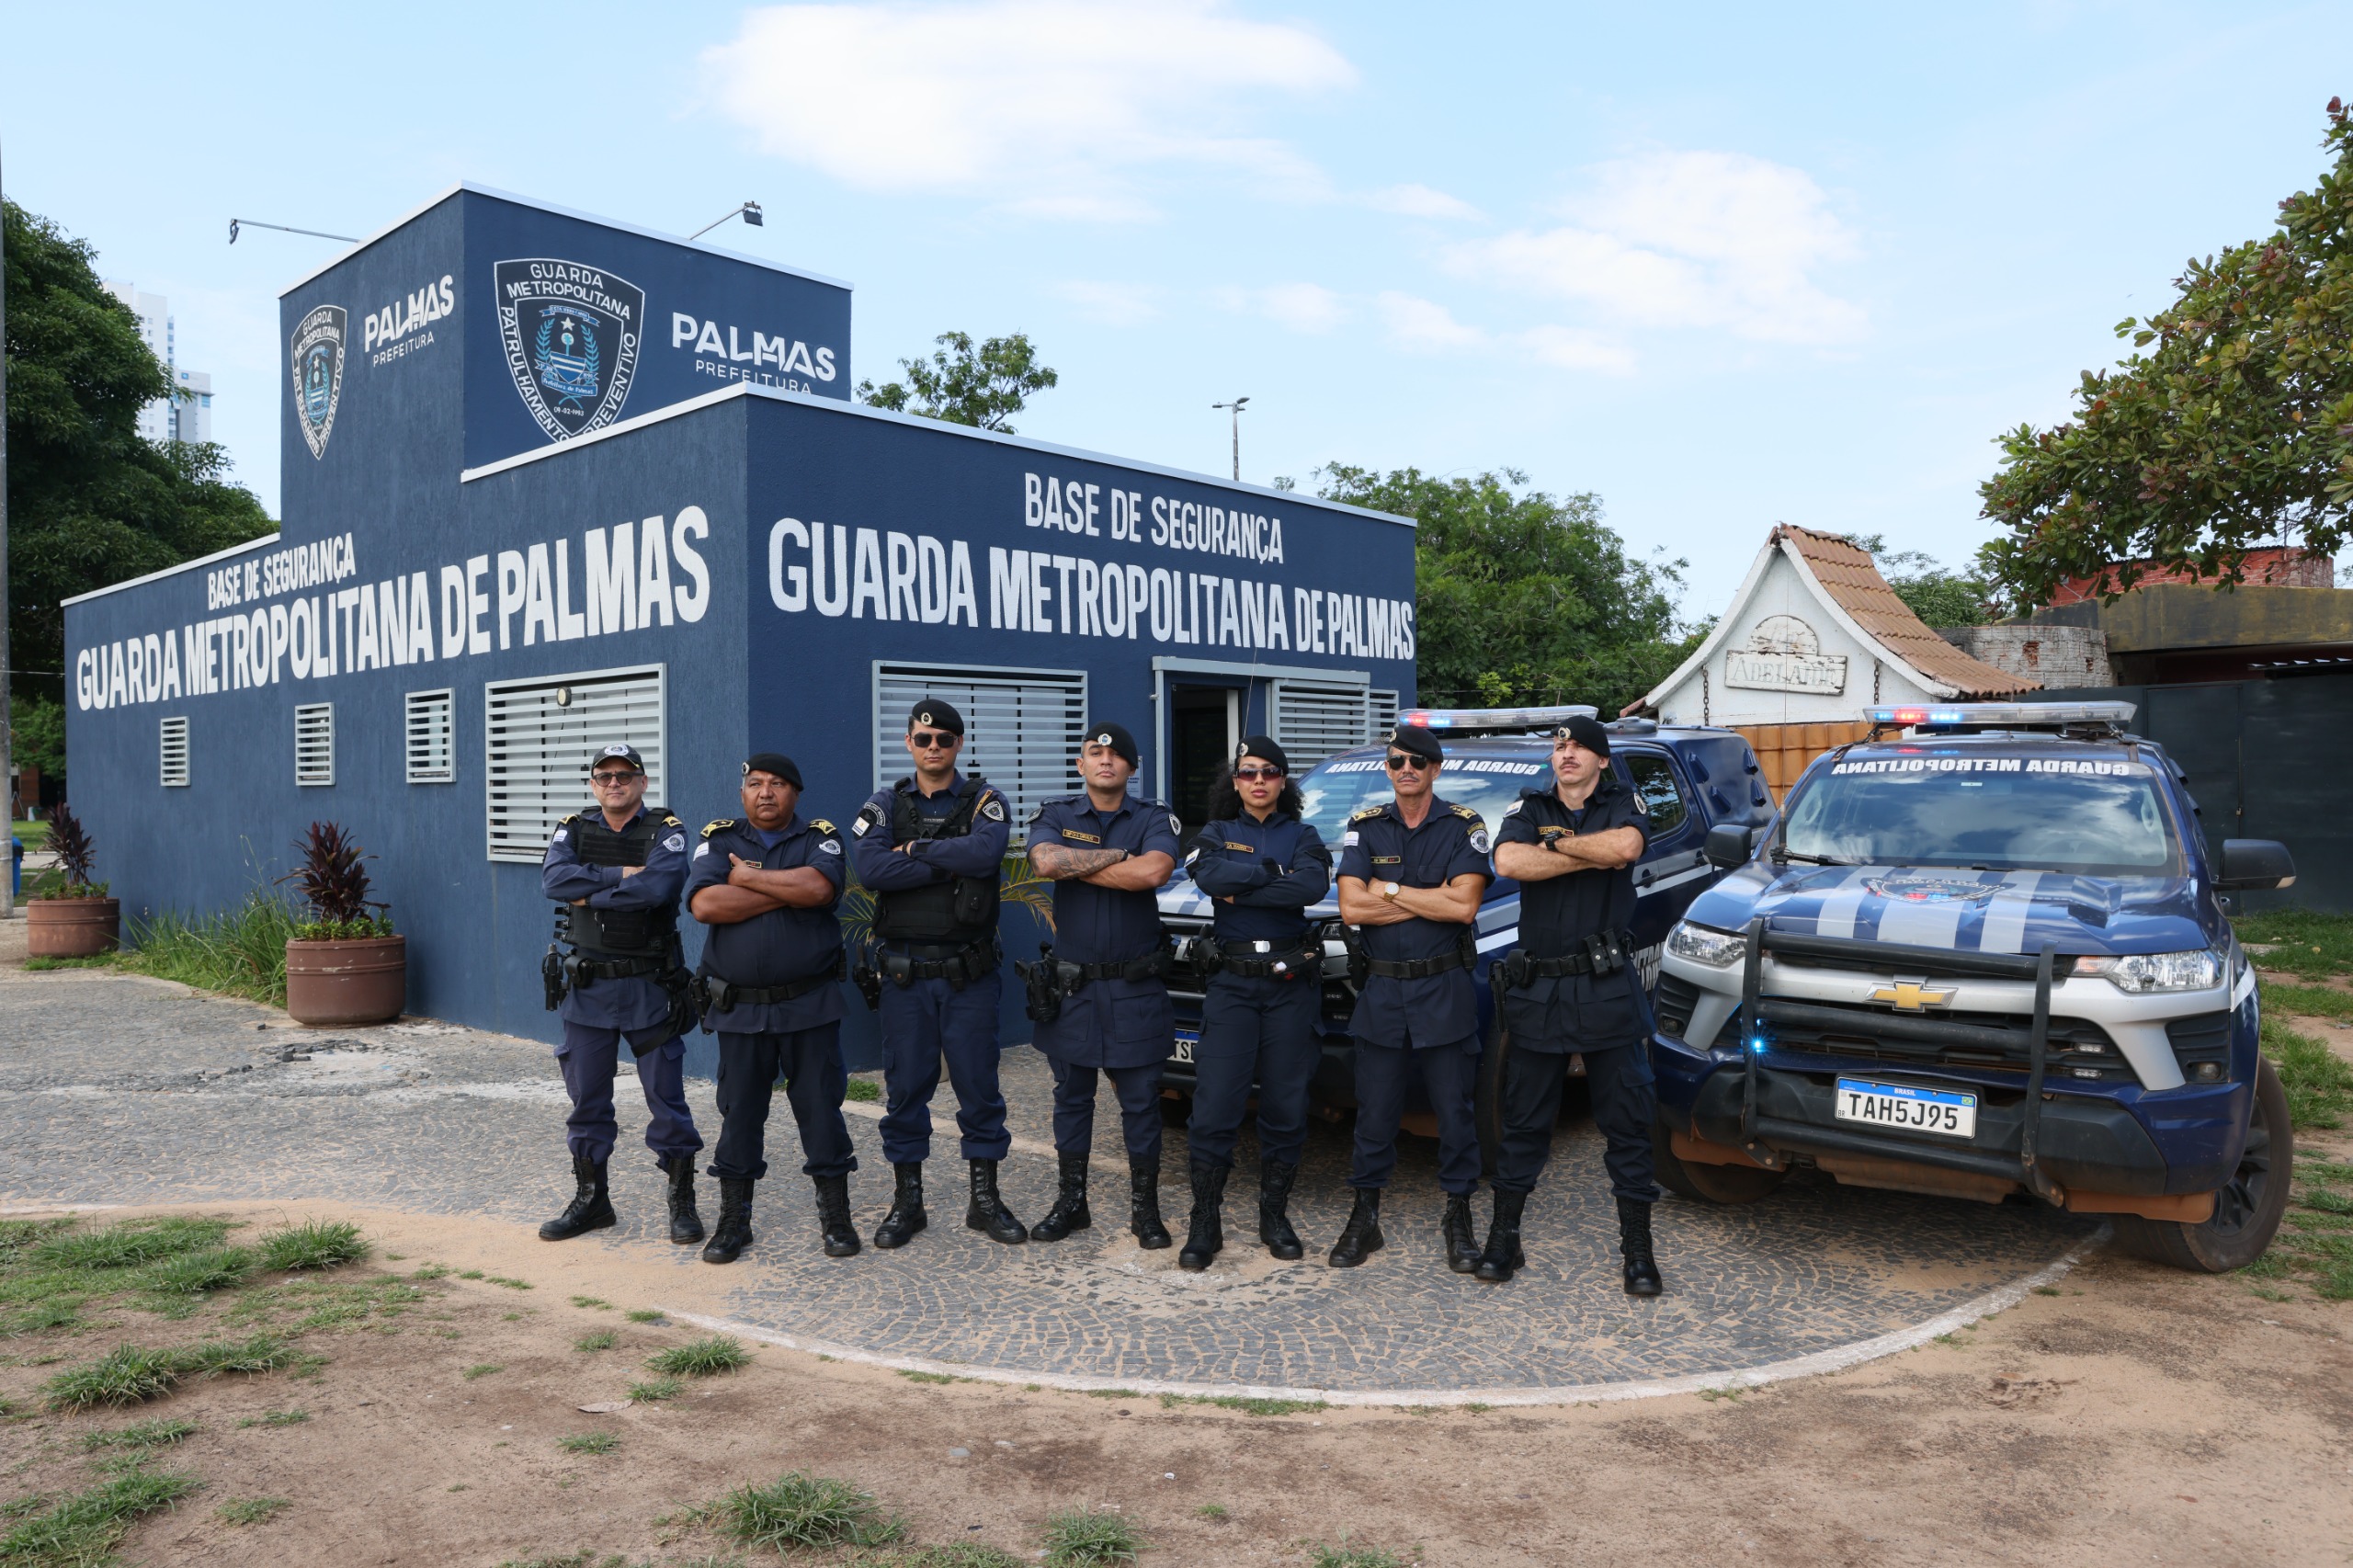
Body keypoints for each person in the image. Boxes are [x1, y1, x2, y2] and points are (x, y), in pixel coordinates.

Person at [1484, 714, 1663, 1294]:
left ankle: (1638, 1252)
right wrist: (1587, 852)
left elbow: (1627, 847)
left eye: (1581, 747)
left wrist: (1557, 846)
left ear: (1602, 760)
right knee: (1525, 1122)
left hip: (1606, 987)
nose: (1568, 754)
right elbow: (1510, 862)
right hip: (1540, 991)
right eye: (1561, 746)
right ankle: (1504, 1240)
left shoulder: (1623, 801)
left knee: (1627, 1123)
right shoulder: (1528, 807)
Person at [847, 699, 1025, 1248]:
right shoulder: (883, 804)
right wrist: (949, 857)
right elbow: (872, 868)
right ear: (908, 743)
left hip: (968, 977)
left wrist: (918, 849)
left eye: (943, 740)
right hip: (905, 980)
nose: (933, 749)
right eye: (923, 740)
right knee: (905, 1092)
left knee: (979, 1088)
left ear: (958, 745)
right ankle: (909, 1203)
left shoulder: (985, 801)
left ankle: (985, 1202)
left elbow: (986, 854)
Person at [685, 753, 860, 1265]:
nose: (766, 792)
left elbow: (820, 888)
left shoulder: (820, 838)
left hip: (809, 1004)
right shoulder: (718, 839)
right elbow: (706, 906)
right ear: (742, 793)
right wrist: (785, 888)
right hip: (739, 1010)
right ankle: (734, 1223)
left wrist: (746, 879)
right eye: (756, 784)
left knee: (821, 1113)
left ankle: (836, 1218)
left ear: (795, 794)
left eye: (778, 784)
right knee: (739, 1116)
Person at [1330, 723, 1493, 1271]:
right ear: (1388, 768)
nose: (1406, 769)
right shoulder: (1365, 827)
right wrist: (1433, 897)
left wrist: (1390, 889)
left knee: (1454, 1110)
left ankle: (1459, 1215)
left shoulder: (1464, 827)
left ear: (1435, 770)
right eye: (1397, 761)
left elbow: (1464, 908)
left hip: (1443, 988)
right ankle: (1365, 1215)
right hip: (1381, 991)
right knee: (1374, 1113)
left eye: (1417, 762)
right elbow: (1351, 908)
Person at [1018, 722, 1181, 1248]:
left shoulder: (1154, 817)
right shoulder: (1056, 814)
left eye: (1116, 754)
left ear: (1131, 767)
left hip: (1135, 989)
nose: (1105, 760)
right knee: (1072, 1098)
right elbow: (1044, 861)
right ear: (1080, 764)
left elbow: (1153, 873)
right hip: (1073, 991)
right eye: (1094, 753)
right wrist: (1118, 858)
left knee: (1139, 1102)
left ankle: (1145, 1211)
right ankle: (1072, 1202)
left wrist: (1078, 863)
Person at [536, 743, 706, 1246]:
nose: (615, 783)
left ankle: (682, 1202)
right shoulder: (574, 828)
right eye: (604, 775)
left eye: (625, 775)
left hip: (649, 986)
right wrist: (616, 876)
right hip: (588, 989)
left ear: (642, 782)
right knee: (587, 1098)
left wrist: (588, 890)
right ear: (593, 784)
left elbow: (658, 889)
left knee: (667, 1100)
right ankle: (593, 1202)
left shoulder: (666, 830)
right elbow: (552, 880)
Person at [1177, 737, 1332, 1268]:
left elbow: (1310, 887)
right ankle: (1205, 1221)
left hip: (1290, 988)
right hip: (1232, 988)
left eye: (1269, 772)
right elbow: (1208, 876)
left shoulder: (1306, 834)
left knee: (1286, 1108)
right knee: (1215, 1106)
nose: (1259, 781)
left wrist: (1244, 885)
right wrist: (1273, 875)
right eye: (1248, 773)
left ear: (1284, 781)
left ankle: (1274, 1215)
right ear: (1235, 781)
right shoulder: (1215, 833)